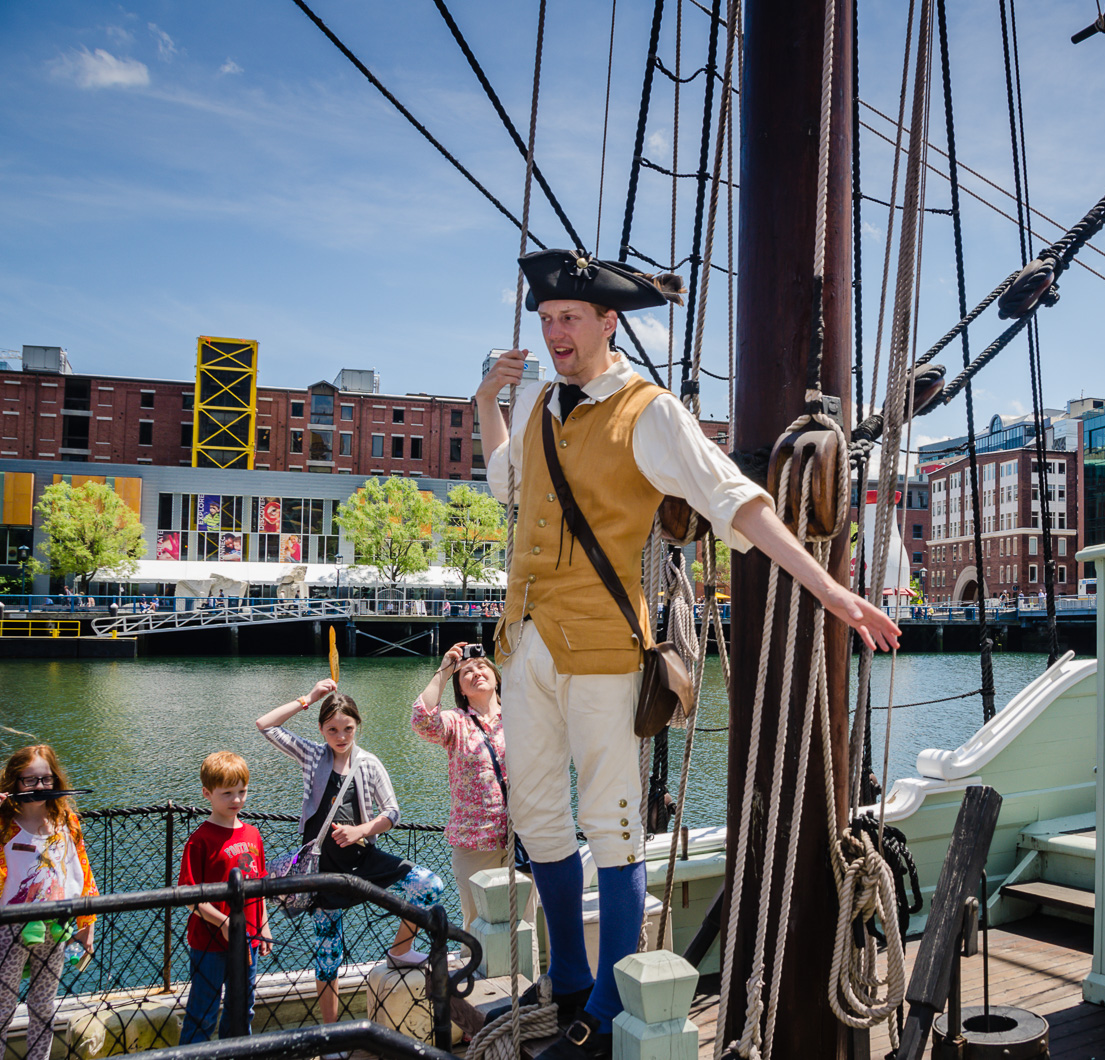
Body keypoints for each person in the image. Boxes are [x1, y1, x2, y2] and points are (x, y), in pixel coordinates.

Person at [477, 248, 901, 1058]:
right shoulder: (535, 404)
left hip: (603, 648)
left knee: (612, 825)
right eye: (546, 320)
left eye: (570, 319)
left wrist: (830, 591)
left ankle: (602, 1009)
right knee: (535, 817)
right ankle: (568, 976)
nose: (555, 333)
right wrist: (485, 398)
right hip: (523, 645)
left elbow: (735, 502)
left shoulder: (650, 411)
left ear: (609, 322)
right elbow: (505, 481)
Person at [256, 680, 445, 1025]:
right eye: (332, 729)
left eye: (348, 728)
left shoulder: (369, 763)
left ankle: (400, 950)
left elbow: (392, 812)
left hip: (361, 861)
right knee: (328, 956)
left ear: (358, 726)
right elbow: (266, 725)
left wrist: (361, 830)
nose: (340, 736)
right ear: (321, 729)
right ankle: (331, 1035)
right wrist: (309, 698)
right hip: (323, 869)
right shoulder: (314, 755)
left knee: (429, 885)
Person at [410, 641, 521, 927]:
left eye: (482, 666)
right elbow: (422, 719)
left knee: (525, 922)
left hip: (523, 835)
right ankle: (477, 970)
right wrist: (445, 670)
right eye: (467, 672)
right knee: (477, 923)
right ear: (460, 689)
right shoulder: (456, 722)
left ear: (497, 677)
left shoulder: (520, 716)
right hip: (475, 841)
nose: (476, 672)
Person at [0, 745, 98, 1060]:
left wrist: (87, 924)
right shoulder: (4, 825)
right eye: (30, 781)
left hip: (55, 925)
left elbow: (81, 870)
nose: (40, 787)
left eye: (46, 779)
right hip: (8, 928)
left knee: (43, 1006)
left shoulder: (66, 821)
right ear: (14, 783)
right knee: (2, 1005)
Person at [178, 751, 271, 1044]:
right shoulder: (200, 840)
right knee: (203, 1012)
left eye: (242, 791)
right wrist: (227, 924)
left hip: (249, 941)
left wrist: (263, 925)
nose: (236, 800)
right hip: (210, 944)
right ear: (208, 793)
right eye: (227, 793)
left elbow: (261, 886)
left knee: (242, 1009)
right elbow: (189, 896)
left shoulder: (253, 835)